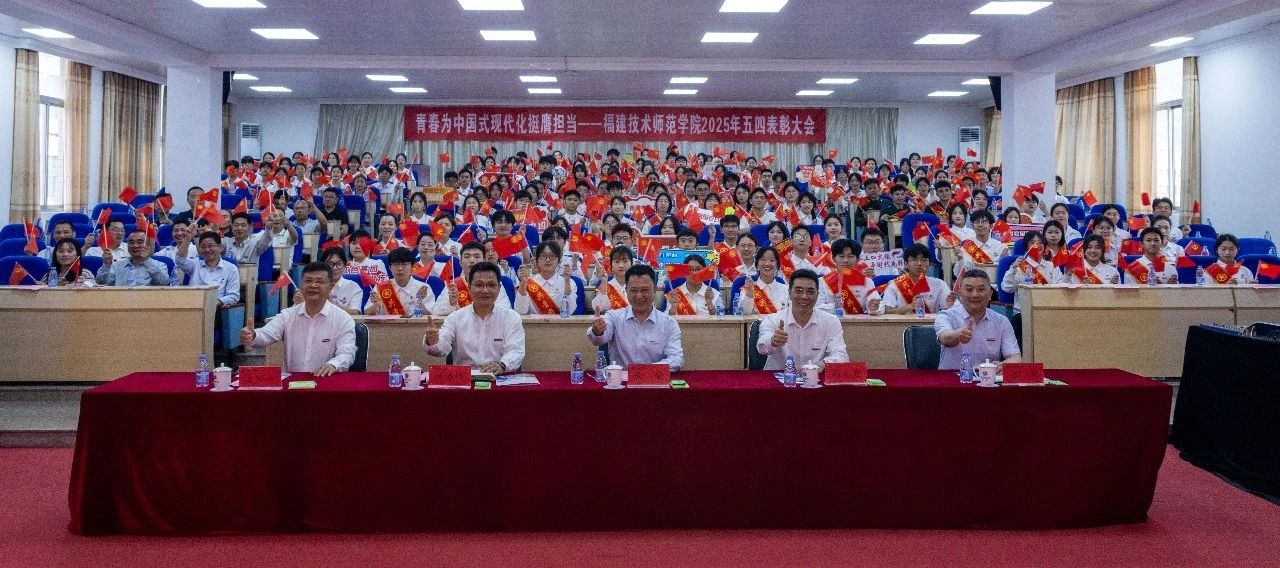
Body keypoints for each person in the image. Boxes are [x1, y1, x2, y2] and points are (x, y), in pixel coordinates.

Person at [242, 261, 357, 376]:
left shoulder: (343, 319)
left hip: (325, 380)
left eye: (319, 281)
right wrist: (252, 335)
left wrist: (333, 364)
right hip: (292, 382)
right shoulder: (288, 315)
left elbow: (347, 353)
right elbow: (267, 333)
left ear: (330, 287)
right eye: (308, 281)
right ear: (301, 285)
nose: (313, 285)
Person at [424, 261, 525, 374]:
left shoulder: (511, 318)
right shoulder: (455, 318)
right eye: (479, 285)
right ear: (469, 287)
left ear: (499, 288)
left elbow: (516, 351)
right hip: (465, 379)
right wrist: (433, 341)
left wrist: (502, 365)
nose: (485, 290)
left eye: (491, 285)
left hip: (499, 377)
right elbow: (440, 349)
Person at [587, 264, 684, 371]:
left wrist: (645, 372)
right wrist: (597, 331)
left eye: (645, 290)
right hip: (621, 380)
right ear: (626, 290)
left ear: (655, 290)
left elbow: (676, 359)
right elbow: (598, 340)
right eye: (633, 290)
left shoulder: (669, 323)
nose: (639, 296)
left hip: (654, 378)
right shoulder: (614, 317)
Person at [756, 269, 849, 371]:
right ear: (789, 293)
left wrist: (822, 365)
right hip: (778, 378)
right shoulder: (773, 320)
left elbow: (841, 355)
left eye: (810, 291)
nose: (804, 296)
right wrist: (773, 341)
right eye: (798, 291)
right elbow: (762, 347)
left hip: (815, 377)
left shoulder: (831, 321)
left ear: (817, 295)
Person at [934, 269, 1022, 371]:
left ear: (990, 295)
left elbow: (1015, 357)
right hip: (952, 378)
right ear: (960, 294)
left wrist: (1005, 365)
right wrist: (958, 334)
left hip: (988, 378)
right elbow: (944, 338)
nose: (975, 295)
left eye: (981, 290)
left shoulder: (1002, 321)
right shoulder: (946, 316)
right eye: (969, 289)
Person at [432, 242, 513, 315]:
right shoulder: (453, 285)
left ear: (484, 260)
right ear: (460, 262)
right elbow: (437, 311)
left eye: (476, 256)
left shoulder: (493, 283)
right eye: (467, 257)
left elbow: (505, 311)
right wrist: (451, 303)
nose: (472, 260)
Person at [880, 244, 952, 315]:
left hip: (932, 323)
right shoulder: (894, 285)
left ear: (929, 264)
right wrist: (909, 307)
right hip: (903, 323)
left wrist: (952, 303)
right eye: (914, 260)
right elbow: (887, 311)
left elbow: (950, 309)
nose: (919, 263)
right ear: (906, 264)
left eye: (924, 260)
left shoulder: (939, 284)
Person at [365, 247, 435, 315]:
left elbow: (430, 314)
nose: (400, 268)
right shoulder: (381, 288)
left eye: (404, 264)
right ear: (390, 268)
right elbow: (366, 313)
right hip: (387, 323)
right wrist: (375, 305)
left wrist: (420, 304)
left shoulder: (423, 288)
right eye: (396, 264)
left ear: (412, 267)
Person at [1000, 232, 1063, 307]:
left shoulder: (1052, 266)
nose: (1037, 245)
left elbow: (1060, 286)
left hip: (1047, 308)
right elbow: (1007, 288)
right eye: (1033, 243)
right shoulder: (1019, 266)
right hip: (1024, 309)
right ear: (1026, 247)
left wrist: (1067, 275)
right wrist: (1013, 269)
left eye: (1040, 242)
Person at [515, 241, 579, 315]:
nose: (548, 260)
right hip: (534, 322)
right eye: (543, 256)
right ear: (537, 261)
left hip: (560, 322)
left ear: (559, 261)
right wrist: (523, 283)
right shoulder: (528, 282)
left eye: (552, 256)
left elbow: (570, 310)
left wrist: (567, 282)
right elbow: (520, 311)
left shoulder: (569, 282)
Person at [816, 239, 876, 314]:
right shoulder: (822, 282)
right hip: (831, 320)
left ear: (857, 259)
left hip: (859, 321)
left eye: (850, 256)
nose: (846, 260)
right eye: (841, 256)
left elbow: (878, 305)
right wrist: (835, 306)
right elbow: (817, 308)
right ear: (834, 259)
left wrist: (873, 307)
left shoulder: (867, 282)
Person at [181, 231, 241, 306]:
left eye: (210, 246)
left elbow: (233, 296)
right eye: (203, 247)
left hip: (217, 307)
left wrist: (215, 303)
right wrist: (187, 239)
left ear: (220, 247)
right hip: (192, 306)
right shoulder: (195, 264)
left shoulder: (231, 268)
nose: (207, 250)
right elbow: (180, 260)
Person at [95, 230, 169, 286]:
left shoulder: (160, 265)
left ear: (148, 245)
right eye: (131, 242)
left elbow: (163, 284)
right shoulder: (117, 265)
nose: (135, 245)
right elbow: (102, 283)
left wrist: (146, 261)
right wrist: (106, 265)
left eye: (140, 242)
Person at [953, 210, 1007, 277]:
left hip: (994, 282)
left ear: (991, 226)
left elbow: (1005, 272)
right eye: (977, 222)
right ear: (972, 226)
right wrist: (960, 258)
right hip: (973, 281)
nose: (980, 225)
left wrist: (1001, 260)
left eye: (984, 222)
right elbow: (957, 274)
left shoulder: (1000, 247)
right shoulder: (967, 246)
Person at [739, 247, 789, 315]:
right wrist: (749, 294)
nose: (767, 263)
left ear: (777, 265)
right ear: (757, 265)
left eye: (772, 260)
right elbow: (746, 312)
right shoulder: (748, 288)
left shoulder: (786, 289)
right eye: (763, 259)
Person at [318, 247, 363, 314]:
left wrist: (334, 304)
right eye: (330, 264)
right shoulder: (315, 285)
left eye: (339, 264)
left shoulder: (353, 287)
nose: (335, 268)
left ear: (344, 266)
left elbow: (355, 312)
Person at [591, 246, 634, 313]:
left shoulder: (638, 286)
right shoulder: (605, 285)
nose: (621, 265)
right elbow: (597, 307)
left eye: (625, 261)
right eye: (617, 262)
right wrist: (604, 283)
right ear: (611, 266)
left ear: (631, 264)